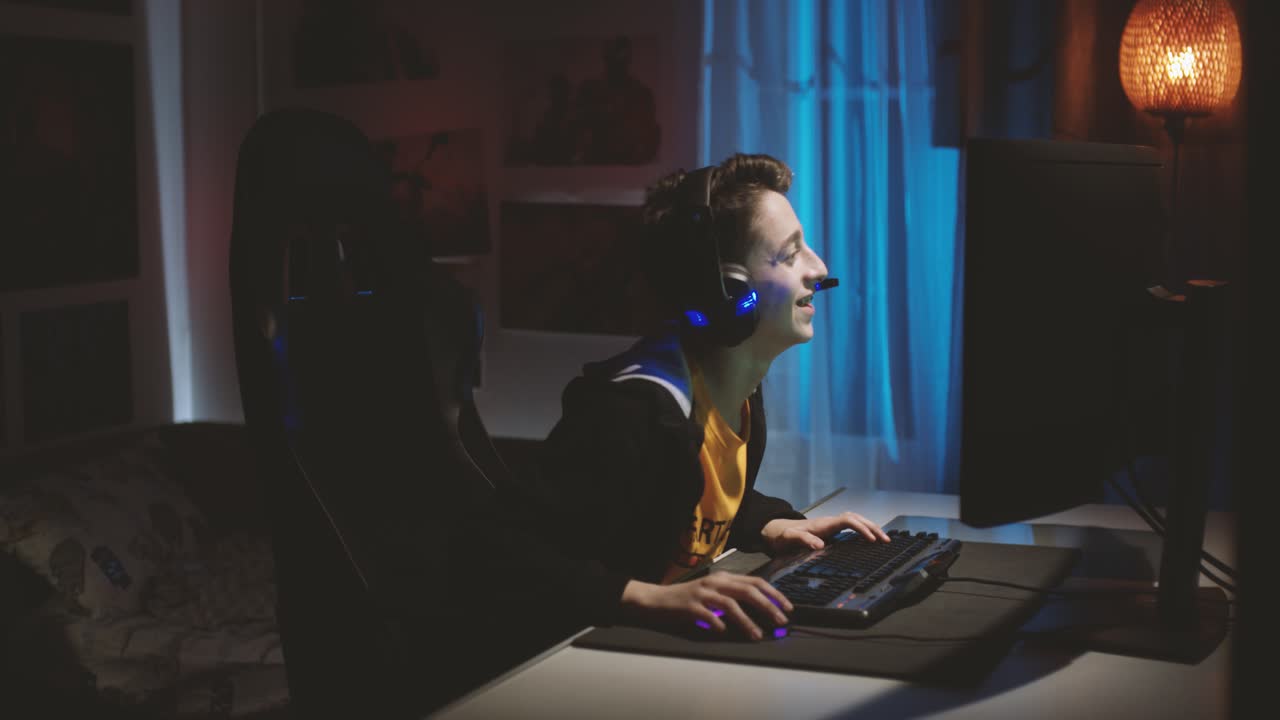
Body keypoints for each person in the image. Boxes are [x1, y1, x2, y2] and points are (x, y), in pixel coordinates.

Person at [487, 153, 889, 646]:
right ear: (729, 293)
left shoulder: (736, 394)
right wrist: (646, 598)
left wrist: (771, 524)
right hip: (571, 666)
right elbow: (500, 554)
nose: (819, 268)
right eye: (790, 254)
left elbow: (684, 502)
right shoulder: (630, 411)